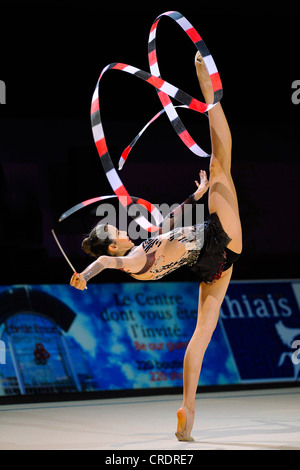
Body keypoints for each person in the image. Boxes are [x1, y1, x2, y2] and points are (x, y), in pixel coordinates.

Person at [70, 52, 242, 441]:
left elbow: (167, 223)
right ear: (113, 247)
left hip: (214, 262)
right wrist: (87, 273)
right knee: (221, 163)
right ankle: (208, 92)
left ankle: (189, 411)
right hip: (217, 238)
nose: (119, 227)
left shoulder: (141, 250)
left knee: (201, 336)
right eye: (114, 230)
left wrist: (194, 195)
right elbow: (108, 266)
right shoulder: (129, 259)